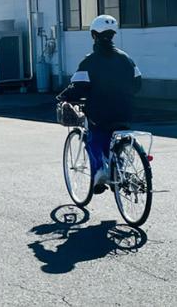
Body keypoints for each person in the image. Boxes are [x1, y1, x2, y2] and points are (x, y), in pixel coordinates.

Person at [57, 15, 142, 193]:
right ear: (113, 35)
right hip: (125, 111)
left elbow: (78, 87)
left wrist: (63, 97)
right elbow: (138, 83)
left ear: (93, 35)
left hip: (100, 113)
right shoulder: (126, 58)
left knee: (93, 138)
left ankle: (100, 172)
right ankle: (119, 167)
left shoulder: (90, 61)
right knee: (114, 137)